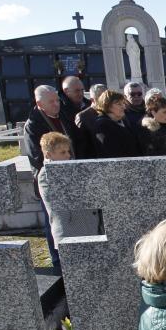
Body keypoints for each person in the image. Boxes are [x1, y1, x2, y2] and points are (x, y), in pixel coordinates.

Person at [23, 84, 83, 268]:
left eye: (57, 100)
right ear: (39, 103)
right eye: (52, 101)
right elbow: (36, 156)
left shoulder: (63, 115)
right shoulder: (33, 124)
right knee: (55, 222)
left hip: (72, 174)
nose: (57, 104)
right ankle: (58, 260)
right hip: (52, 179)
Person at [36, 132, 100, 251]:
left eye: (68, 151)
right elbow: (58, 202)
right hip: (69, 231)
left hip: (89, 227)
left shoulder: (72, 169)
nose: (68, 155)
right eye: (63, 152)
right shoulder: (45, 175)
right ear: (48, 154)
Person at [92, 90, 144, 158]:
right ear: (108, 105)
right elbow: (110, 152)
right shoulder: (102, 125)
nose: (124, 107)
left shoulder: (123, 120)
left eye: (123, 103)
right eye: (119, 104)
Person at [74, 84, 107, 159]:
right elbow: (81, 145)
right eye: (102, 97)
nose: (105, 100)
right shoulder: (82, 117)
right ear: (93, 100)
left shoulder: (110, 113)